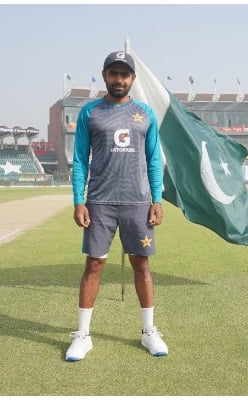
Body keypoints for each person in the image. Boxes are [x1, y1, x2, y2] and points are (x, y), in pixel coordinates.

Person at [66, 50, 168, 362]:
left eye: (125, 74)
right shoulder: (90, 112)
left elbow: (153, 159)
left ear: (132, 79)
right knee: (94, 265)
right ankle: (83, 335)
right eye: (114, 73)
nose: (119, 79)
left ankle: (149, 331)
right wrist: (79, 201)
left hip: (137, 202)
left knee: (142, 265)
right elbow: (80, 159)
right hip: (99, 202)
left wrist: (157, 199)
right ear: (104, 75)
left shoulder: (145, 113)